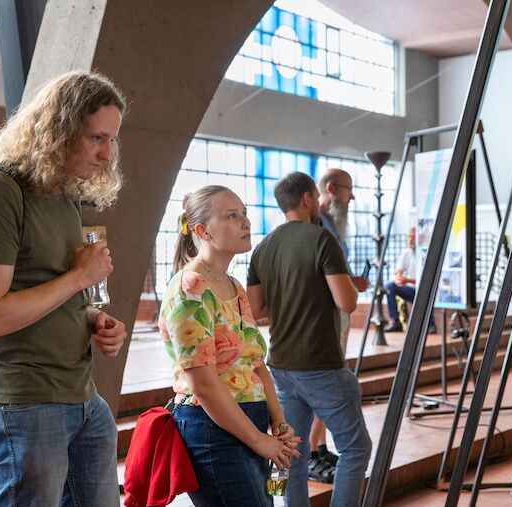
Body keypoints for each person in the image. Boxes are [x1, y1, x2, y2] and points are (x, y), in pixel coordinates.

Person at [0, 71, 129, 506]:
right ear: (60, 128)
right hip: (23, 402)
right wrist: (79, 278)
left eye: (112, 140)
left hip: (81, 396)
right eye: (97, 138)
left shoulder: (62, 192)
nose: (108, 154)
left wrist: (93, 318)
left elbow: (49, 290)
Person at [159, 185, 301, 506]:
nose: (246, 222)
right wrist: (258, 441)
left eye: (245, 213)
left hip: (248, 421)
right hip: (213, 428)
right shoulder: (190, 287)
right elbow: (205, 386)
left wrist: (278, 423)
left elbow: (256, 363)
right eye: (232, 216)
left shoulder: (233, 285)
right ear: (202, 231)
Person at [247, 172, 373, 507]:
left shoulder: (263, 248)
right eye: (315, 198)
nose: (317, 203)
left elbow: (257, 309)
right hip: (320, 364)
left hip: (282, 367)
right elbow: (347, 302)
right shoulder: (321, 240)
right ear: (307, 199)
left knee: (292, 453)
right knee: (356, 448)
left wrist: (296, 303)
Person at [310, 168, 370, 481]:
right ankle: (309, 451)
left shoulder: (330, 223)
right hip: (322, 315)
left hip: (336, 313)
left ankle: (318, 446)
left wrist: (349, 281)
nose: (352, 196)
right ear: (331, 188)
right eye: (348, 190)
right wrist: (347, 283)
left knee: (331, 379)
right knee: (323, 383)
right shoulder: (315, 223)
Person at [383, 227, 437, 334]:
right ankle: (395, 321)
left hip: (424, 289)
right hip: (411, 290)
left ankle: (431, 324)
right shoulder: (406, 253)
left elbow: (427, 279)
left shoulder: (425, 253)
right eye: (409, 237)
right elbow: (398, 271)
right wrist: (399, 278)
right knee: (389, 286)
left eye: (413, 237)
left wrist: (407, 280)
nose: (410, 240)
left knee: (426, 289)